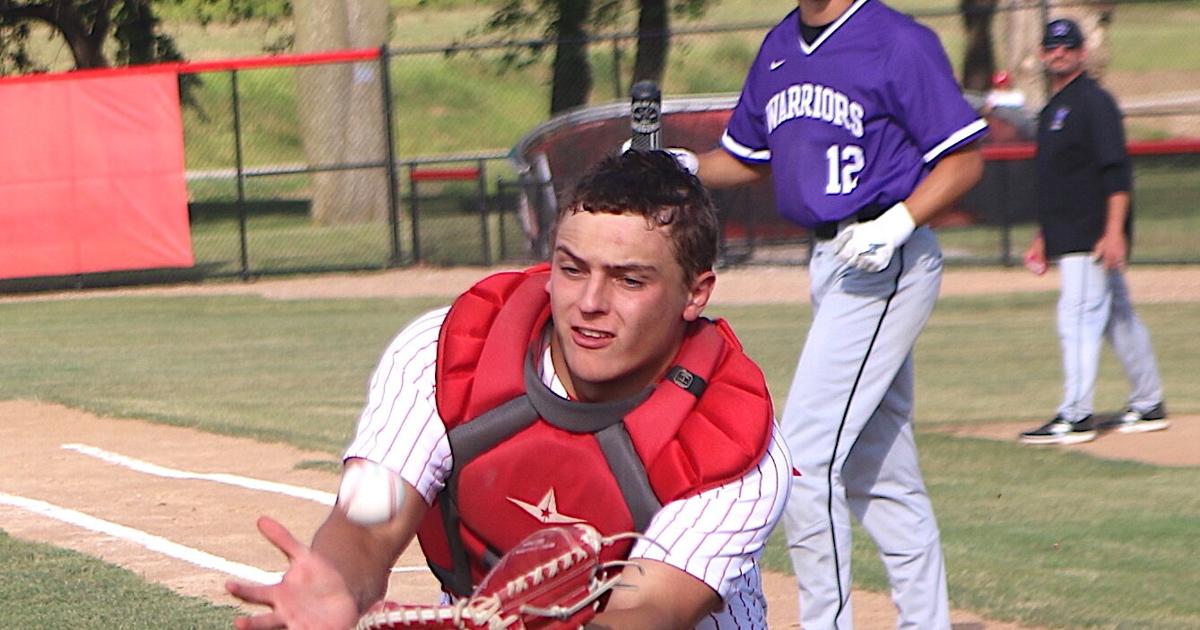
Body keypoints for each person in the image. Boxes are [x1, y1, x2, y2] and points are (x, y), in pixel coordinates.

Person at [224, 150, 792, 630]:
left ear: (696, 293)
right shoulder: (448, 356)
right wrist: (341, 580)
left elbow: (643, 611)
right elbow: (370, 516)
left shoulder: (732, 440)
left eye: (628, 279)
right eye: (572, 269)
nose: (589, 302)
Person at [683, 0, 988, 627]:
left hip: (884, 257)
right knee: (882, 469)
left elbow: (963, 159)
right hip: (829, 258)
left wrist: (899, 222)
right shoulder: (778, 47)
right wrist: (683, 165)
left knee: (803, 461)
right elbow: (747, 155)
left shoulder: (897, 41)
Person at [1019, 18, 1167, 446]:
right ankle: (1148, 402)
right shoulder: (1051, 110)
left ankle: (1076, 414)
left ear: (1082, 53)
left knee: (1078, 317)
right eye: (1052, 47)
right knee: (1117, 315)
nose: (1059, 53)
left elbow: (1115, 172)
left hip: (1092, 234)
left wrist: (1114, 230)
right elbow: (1055, 181)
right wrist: (1043, 235)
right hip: (1067, 233)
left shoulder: (1094, 103)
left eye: (1067, 47)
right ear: (1044, 55)